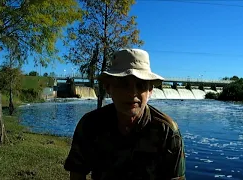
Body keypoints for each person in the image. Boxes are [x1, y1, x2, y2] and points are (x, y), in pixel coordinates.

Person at [64, 49, 186, 180]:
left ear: (150, 91)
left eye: (140, 85)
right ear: (108, 88)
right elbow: (77, 172)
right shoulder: (91, 124)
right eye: (123, 84)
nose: (132, 93)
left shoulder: (167, 131)